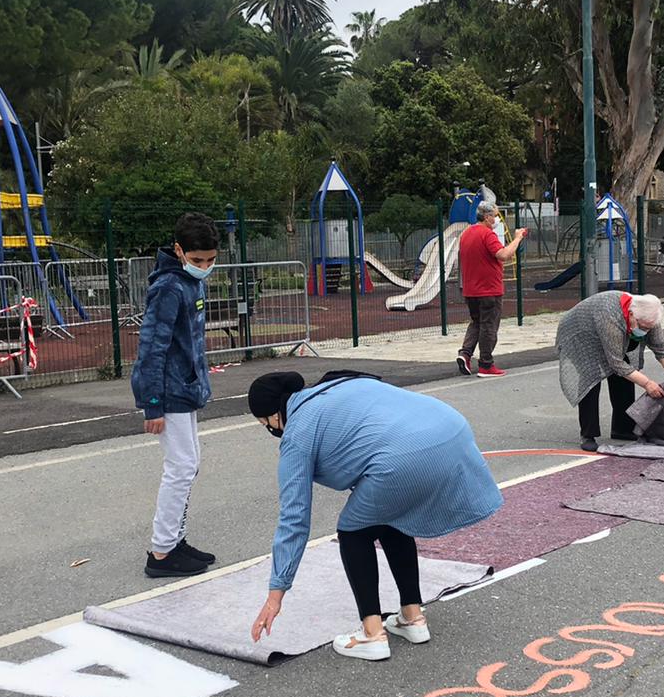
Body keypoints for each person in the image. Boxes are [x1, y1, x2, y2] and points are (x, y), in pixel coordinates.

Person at [247, 371, 502, 661]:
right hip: (451, 426)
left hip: (405, 455)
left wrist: (275, 593)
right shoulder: (340, 384)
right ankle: (412, 617)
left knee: (354, 531)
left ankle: (372, 633)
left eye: (264, 424)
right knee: (390, 514)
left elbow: (294, 519)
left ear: (272, 416)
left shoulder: (296, 435)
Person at [132, 213, 220, 579]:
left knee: (188, 465)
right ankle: (163, 553)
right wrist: (152, 403)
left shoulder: (190, 282)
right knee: (180, 469)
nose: (205, 267)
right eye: (197, 260)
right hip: (168, 393)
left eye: (211, 260)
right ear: (180, 251)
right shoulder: (169, 286)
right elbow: (152, 346)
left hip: (185, 388)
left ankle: (174, 540)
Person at [555, 290, 664, 452]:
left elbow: (661, 347)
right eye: (643, 327)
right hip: (580, 334)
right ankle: (588, 434)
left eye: (649, 328)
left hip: (604, 331)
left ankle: (622, 428)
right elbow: (615, 363)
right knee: (590, 376)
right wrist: (647, 383)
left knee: (626, 375)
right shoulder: (610, 318)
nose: (645, 331)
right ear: (631, 315)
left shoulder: (649, 316)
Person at [455, 200, 527, 378]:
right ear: (487, 217)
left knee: (476, 322)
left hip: (470, 289)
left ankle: (465, 353)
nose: (496, 219)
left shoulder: (466, 234)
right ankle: (486, 364)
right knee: (489, 326)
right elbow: (503, 254)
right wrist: (517, 238)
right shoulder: (487, 235)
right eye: (494, 215)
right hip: (488, 289)